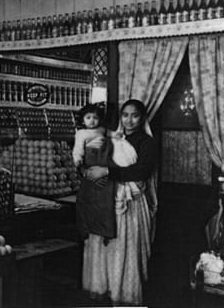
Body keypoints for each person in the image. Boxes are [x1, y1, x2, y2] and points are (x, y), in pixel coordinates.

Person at [80, 99, 158, 306]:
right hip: (106, 199)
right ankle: (105, 288)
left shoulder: (146, 142)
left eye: (135, 115)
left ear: (142, 118)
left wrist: (107, 171)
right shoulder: (113, 138)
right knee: (105, 245)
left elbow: (141, 171)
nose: (129, 120)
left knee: (125, 247)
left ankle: (123, 294)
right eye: (125, 115)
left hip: (129, 204)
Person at [74, 103, 124, 241]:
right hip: (90, 161)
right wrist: (78, 161)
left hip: (104, 161)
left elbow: (110, 133)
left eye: (95, 117)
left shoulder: (102, 130)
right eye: (88, 117)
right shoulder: (81, 133)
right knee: (88, 198)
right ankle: (87, 228)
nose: (92, 120)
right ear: (82, 120)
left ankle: (105, 230)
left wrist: (118, 135)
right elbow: (78, 149)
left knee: (105, 198)